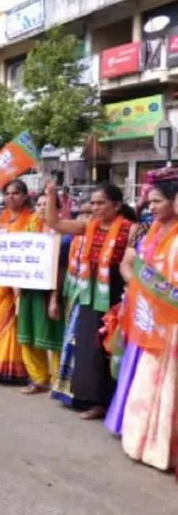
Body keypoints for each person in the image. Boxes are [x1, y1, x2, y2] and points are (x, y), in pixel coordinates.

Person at [46, 181, 133, 420]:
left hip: (115, 295)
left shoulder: (130, 229)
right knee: (89, 349)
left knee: (111, 348)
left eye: (100, 203)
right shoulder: (87, 226)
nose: (95, 207)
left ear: (116, 205)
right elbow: (54, 223)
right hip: (89, 294)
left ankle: (109, 401)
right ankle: (91, 399)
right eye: (93, 203)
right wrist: (51, 195)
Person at [119, 179, 177, 469]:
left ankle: (162, 447)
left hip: (172, 320)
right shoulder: (151, 231)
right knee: (149, 376)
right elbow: (134, 265)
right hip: (151, 314)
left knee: (168, 381)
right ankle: (143, 441)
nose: (151, 207)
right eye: (150, 201)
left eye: (158, 201)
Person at [0, 180, 35, 384]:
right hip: (0, 276)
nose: (10, 197)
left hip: (22, 277)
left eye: (15, 193)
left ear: (24, 196)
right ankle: (0, 365)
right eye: (7, 193)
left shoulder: (32, 219)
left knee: (18, 319)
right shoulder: (0, 218)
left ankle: (18, 369)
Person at [15, 193, 65, 394]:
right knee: (27, 335)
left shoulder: (64, 233)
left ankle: (57, 380)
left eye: (48, 204)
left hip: (50, 291)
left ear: (58, 208)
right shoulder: (26, 231)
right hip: (28, 290)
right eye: (40, 204)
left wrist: (55, 296)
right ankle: (38, 378)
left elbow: (61, 267)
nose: (43, 207)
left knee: (52, 336)